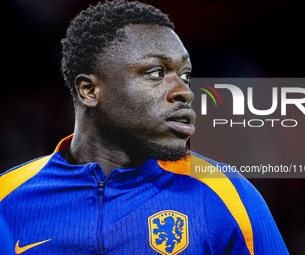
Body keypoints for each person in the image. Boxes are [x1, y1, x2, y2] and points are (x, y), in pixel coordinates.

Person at [0, 1, 289, 254]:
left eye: (186, 75)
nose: (185, 92)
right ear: (89, 91)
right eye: (156, 72)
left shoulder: (227, 193)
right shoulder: (6, 198)